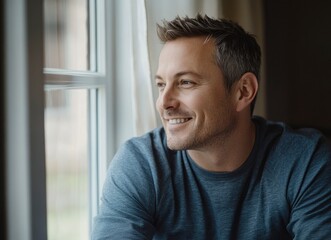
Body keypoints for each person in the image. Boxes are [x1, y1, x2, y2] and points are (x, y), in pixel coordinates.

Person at [92, 14, 331, 239]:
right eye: (161, 84)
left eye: (185, 82)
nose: (163, 102)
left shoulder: (306, 162)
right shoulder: (141, 164)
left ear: (243, 91)